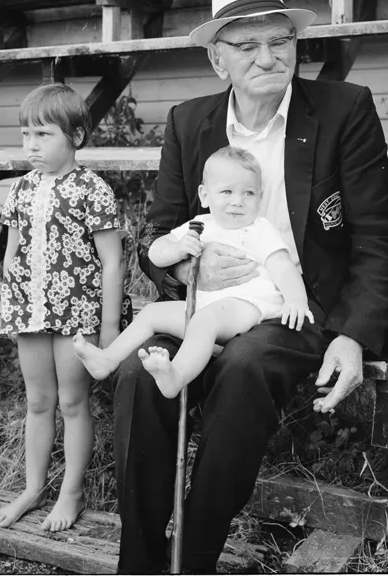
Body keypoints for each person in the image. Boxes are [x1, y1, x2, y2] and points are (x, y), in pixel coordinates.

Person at [111, 0, 388, 573]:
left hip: (295, 305)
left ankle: (192, 559)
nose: (268, 57)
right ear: (219, 60)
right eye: (247, 45)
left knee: (245, 365)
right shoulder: (190, 122)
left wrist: (354, 333)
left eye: (280, 41)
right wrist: (191, 264)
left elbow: (376, 234)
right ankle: (137, 562)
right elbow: (155, 236)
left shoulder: (345, 109)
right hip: (208, 301)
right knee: (139, 380)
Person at [74, 146, 314, 398]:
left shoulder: (258, 230)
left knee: (205, 320)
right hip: (204, 310)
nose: (237, 201)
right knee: (152, 313)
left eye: (249, 193)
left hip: (246, 308)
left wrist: (296, 300)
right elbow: (156, 251)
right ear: (205, 195)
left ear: (260, 197)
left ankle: (175, 376)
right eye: (226, 191)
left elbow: (284, 268)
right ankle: (107, 360)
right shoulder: (200, 225)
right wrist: (178, 249)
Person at [0, 83, 125, 533]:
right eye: (26, 134)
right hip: (30, 310)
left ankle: (71, 490)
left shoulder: (92, 189)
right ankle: (33, 488)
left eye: (43, 135)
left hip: (77, 313)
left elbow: (111, 262)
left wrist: (108, 330)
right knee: (38, 401)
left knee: (71, 401)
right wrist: (14, 295)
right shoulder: (21, 188)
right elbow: (11, 253)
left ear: (76, 137)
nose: (31, 145)